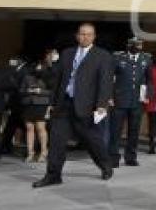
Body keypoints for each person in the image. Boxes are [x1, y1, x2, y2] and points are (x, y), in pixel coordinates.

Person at [33, 23, 114, 188]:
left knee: (92, 141)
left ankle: (105, 165)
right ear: (77, 36)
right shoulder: (67, 53)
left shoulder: (102, 56)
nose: (85, 37)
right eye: (82, 34)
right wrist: (52, 103)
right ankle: (53, 175)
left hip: (87, 106)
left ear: (94, 36)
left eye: (89, 34)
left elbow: (105, 82)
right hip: (64, 104)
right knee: (56, 141)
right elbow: (58, 80)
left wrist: (101, 104)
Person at [109, 37, 152, 168]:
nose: (137, 46)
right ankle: (113, 158)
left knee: (134, 131)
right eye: (134, 44)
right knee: (116, 131)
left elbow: (150, 79)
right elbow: (110, 78)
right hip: (119, 100)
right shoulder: (118, 58)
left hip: (137, 101)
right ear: (128, 45)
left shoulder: (146, 59)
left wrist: (148, 95)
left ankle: (131, 157)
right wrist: (109, 96)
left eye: (139, 44)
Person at [19, 49, 58, 164]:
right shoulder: (27, 77)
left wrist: (40, 90)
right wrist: (28, 90)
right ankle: (30, 153)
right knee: (29, 128)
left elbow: (52, 92)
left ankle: (43, 153)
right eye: (37, 66)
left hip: (41, 104)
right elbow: (21, 90)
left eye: (41, 66)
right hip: (28, 104)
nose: (39, 68)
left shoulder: (49, 76)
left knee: (41, 128)